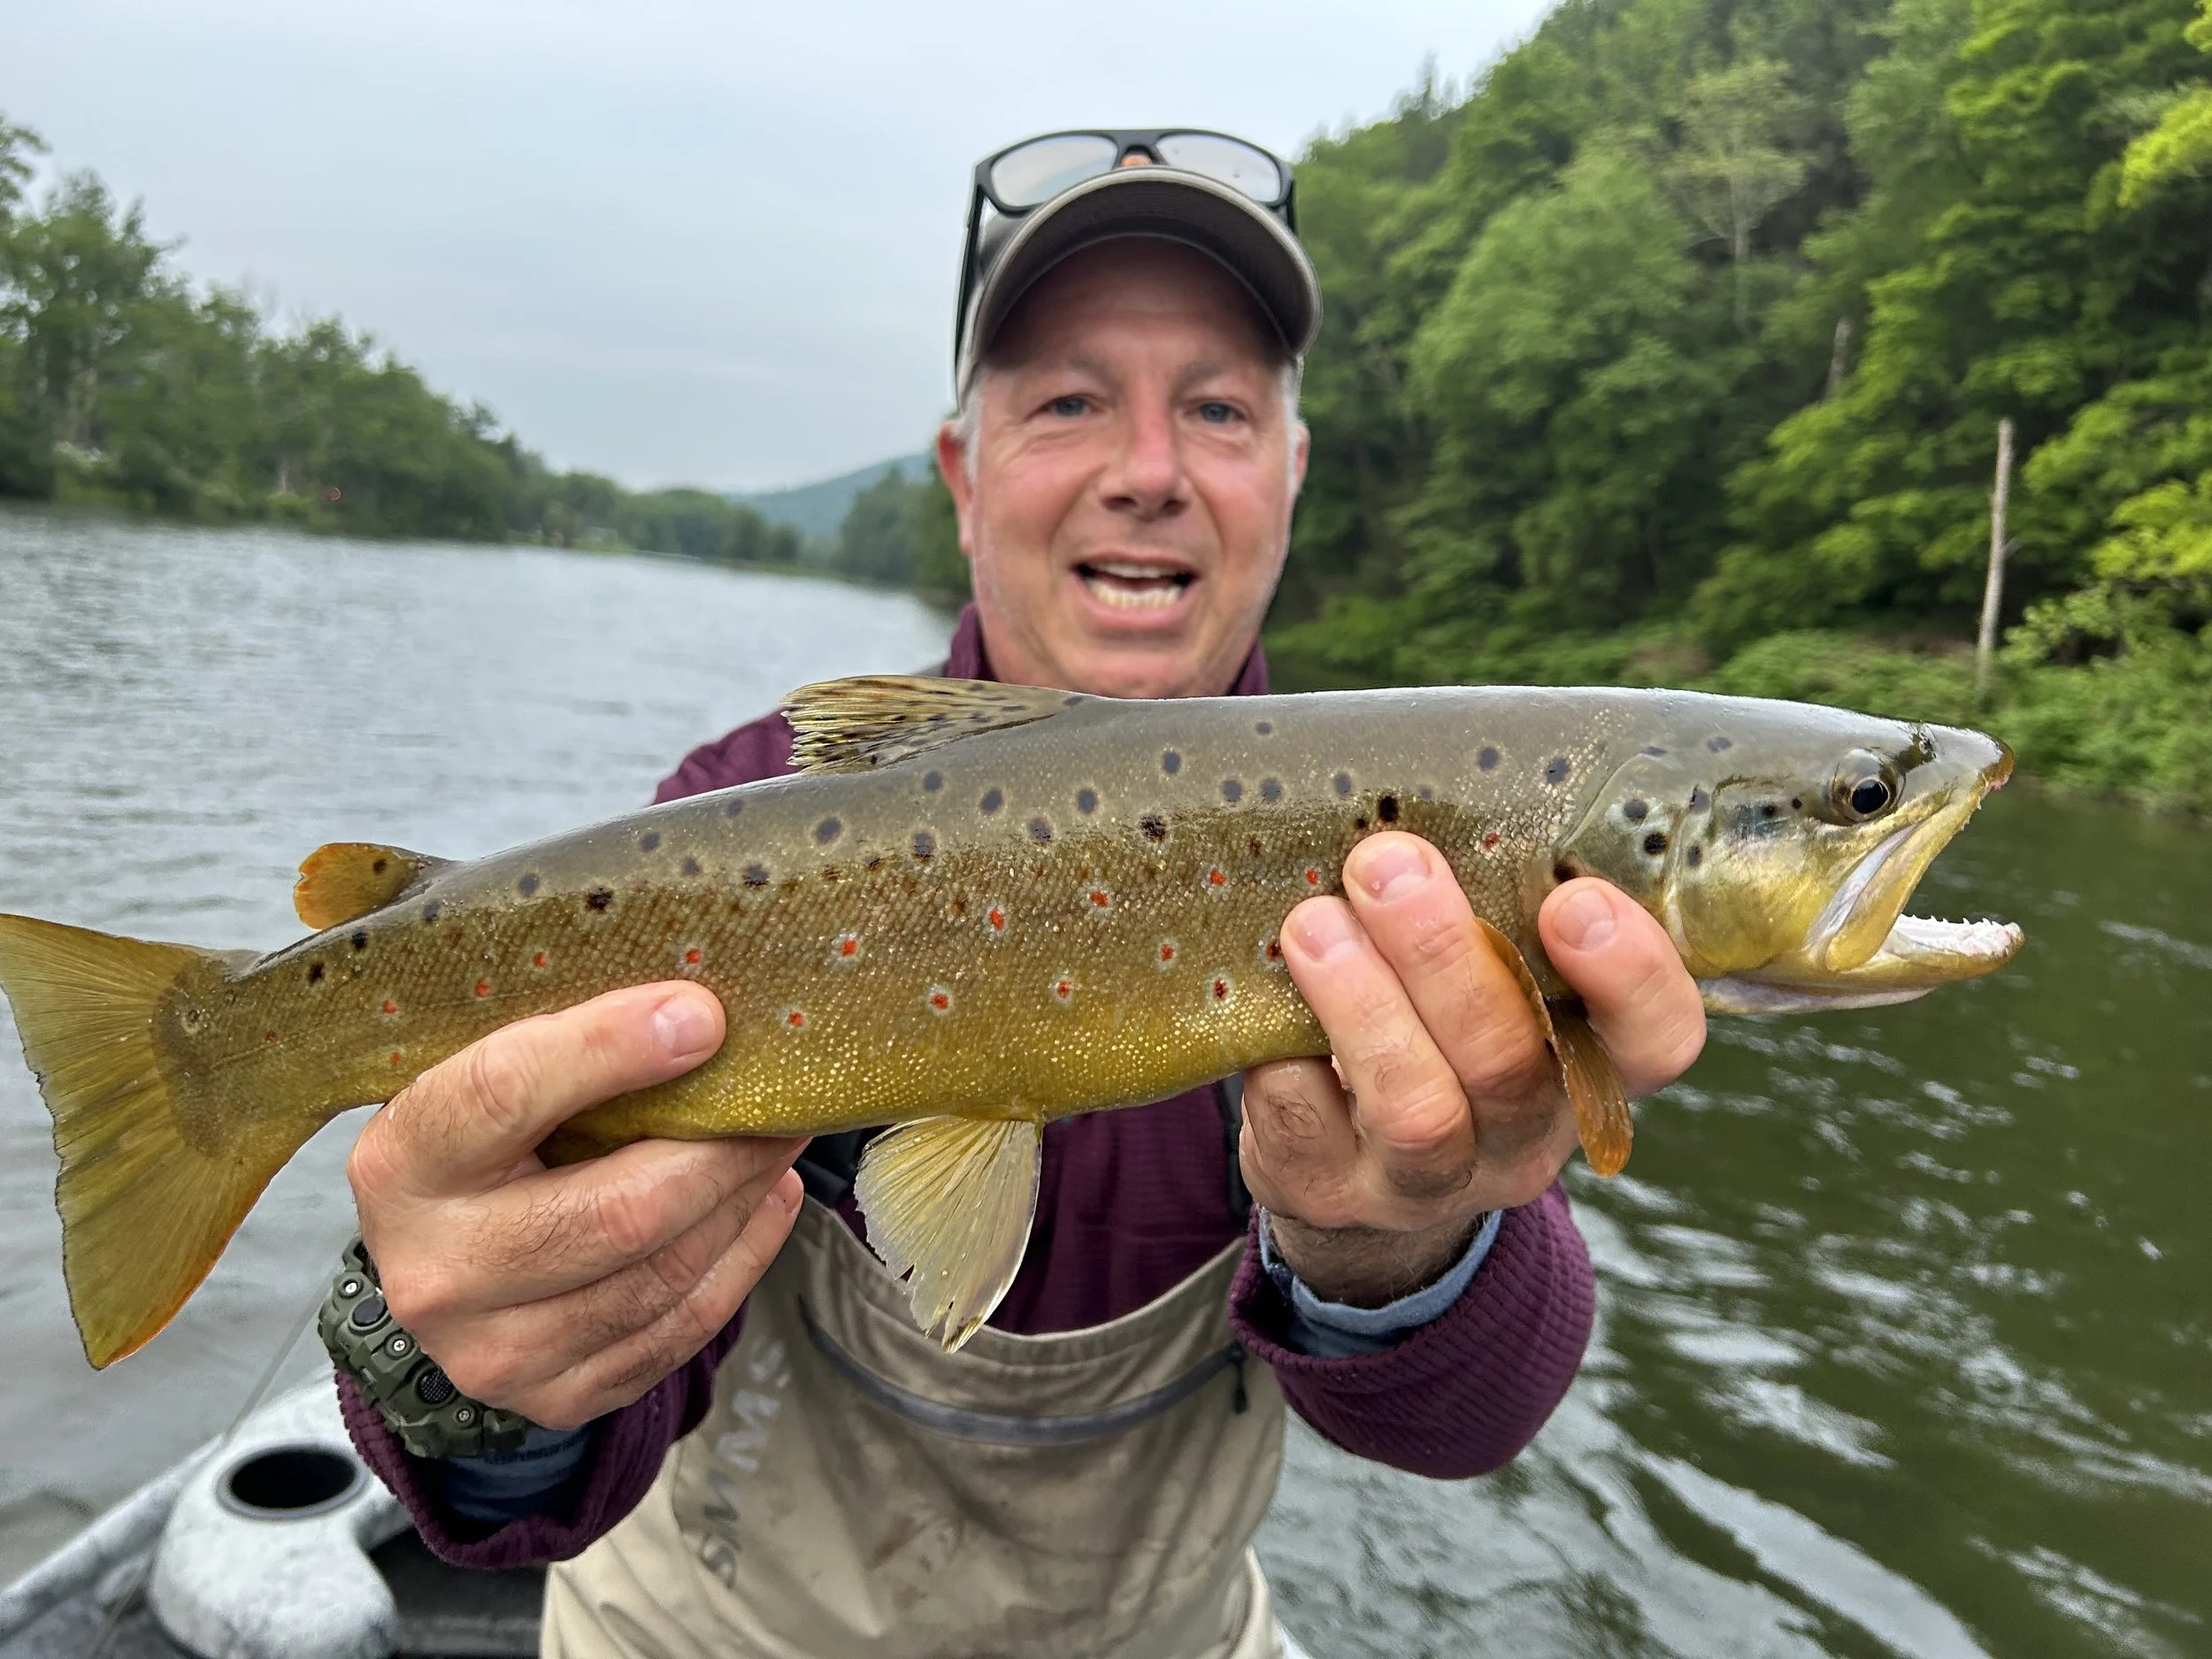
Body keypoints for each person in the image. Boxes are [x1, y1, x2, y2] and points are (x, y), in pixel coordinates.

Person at [335, 128, 1707, 1659]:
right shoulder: (741, 814)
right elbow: (527, 1488)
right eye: (1068, 400)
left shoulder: (1421, 837)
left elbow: (1468, 1421)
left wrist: (1398, 1246)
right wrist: (462, 1361)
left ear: (1292, 473)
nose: (1147, 472)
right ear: (961, 470)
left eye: (1219, 408)